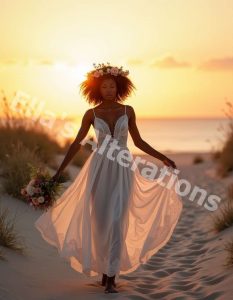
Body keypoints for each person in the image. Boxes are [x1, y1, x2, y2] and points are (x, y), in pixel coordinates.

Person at [35, 62, 183, 294]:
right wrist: (58, 172)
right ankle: (104, 271)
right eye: (104, 86)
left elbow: (139, 142)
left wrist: (163, 158)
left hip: (123, 168)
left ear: (119, 87)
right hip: (99, 170)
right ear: (97, 89)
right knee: (101, 222)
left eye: (112, 85)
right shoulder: (91, 114)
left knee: (117, 220)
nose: (108, 90)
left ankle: (112, 277)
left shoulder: (128, 111)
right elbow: (77, 143)